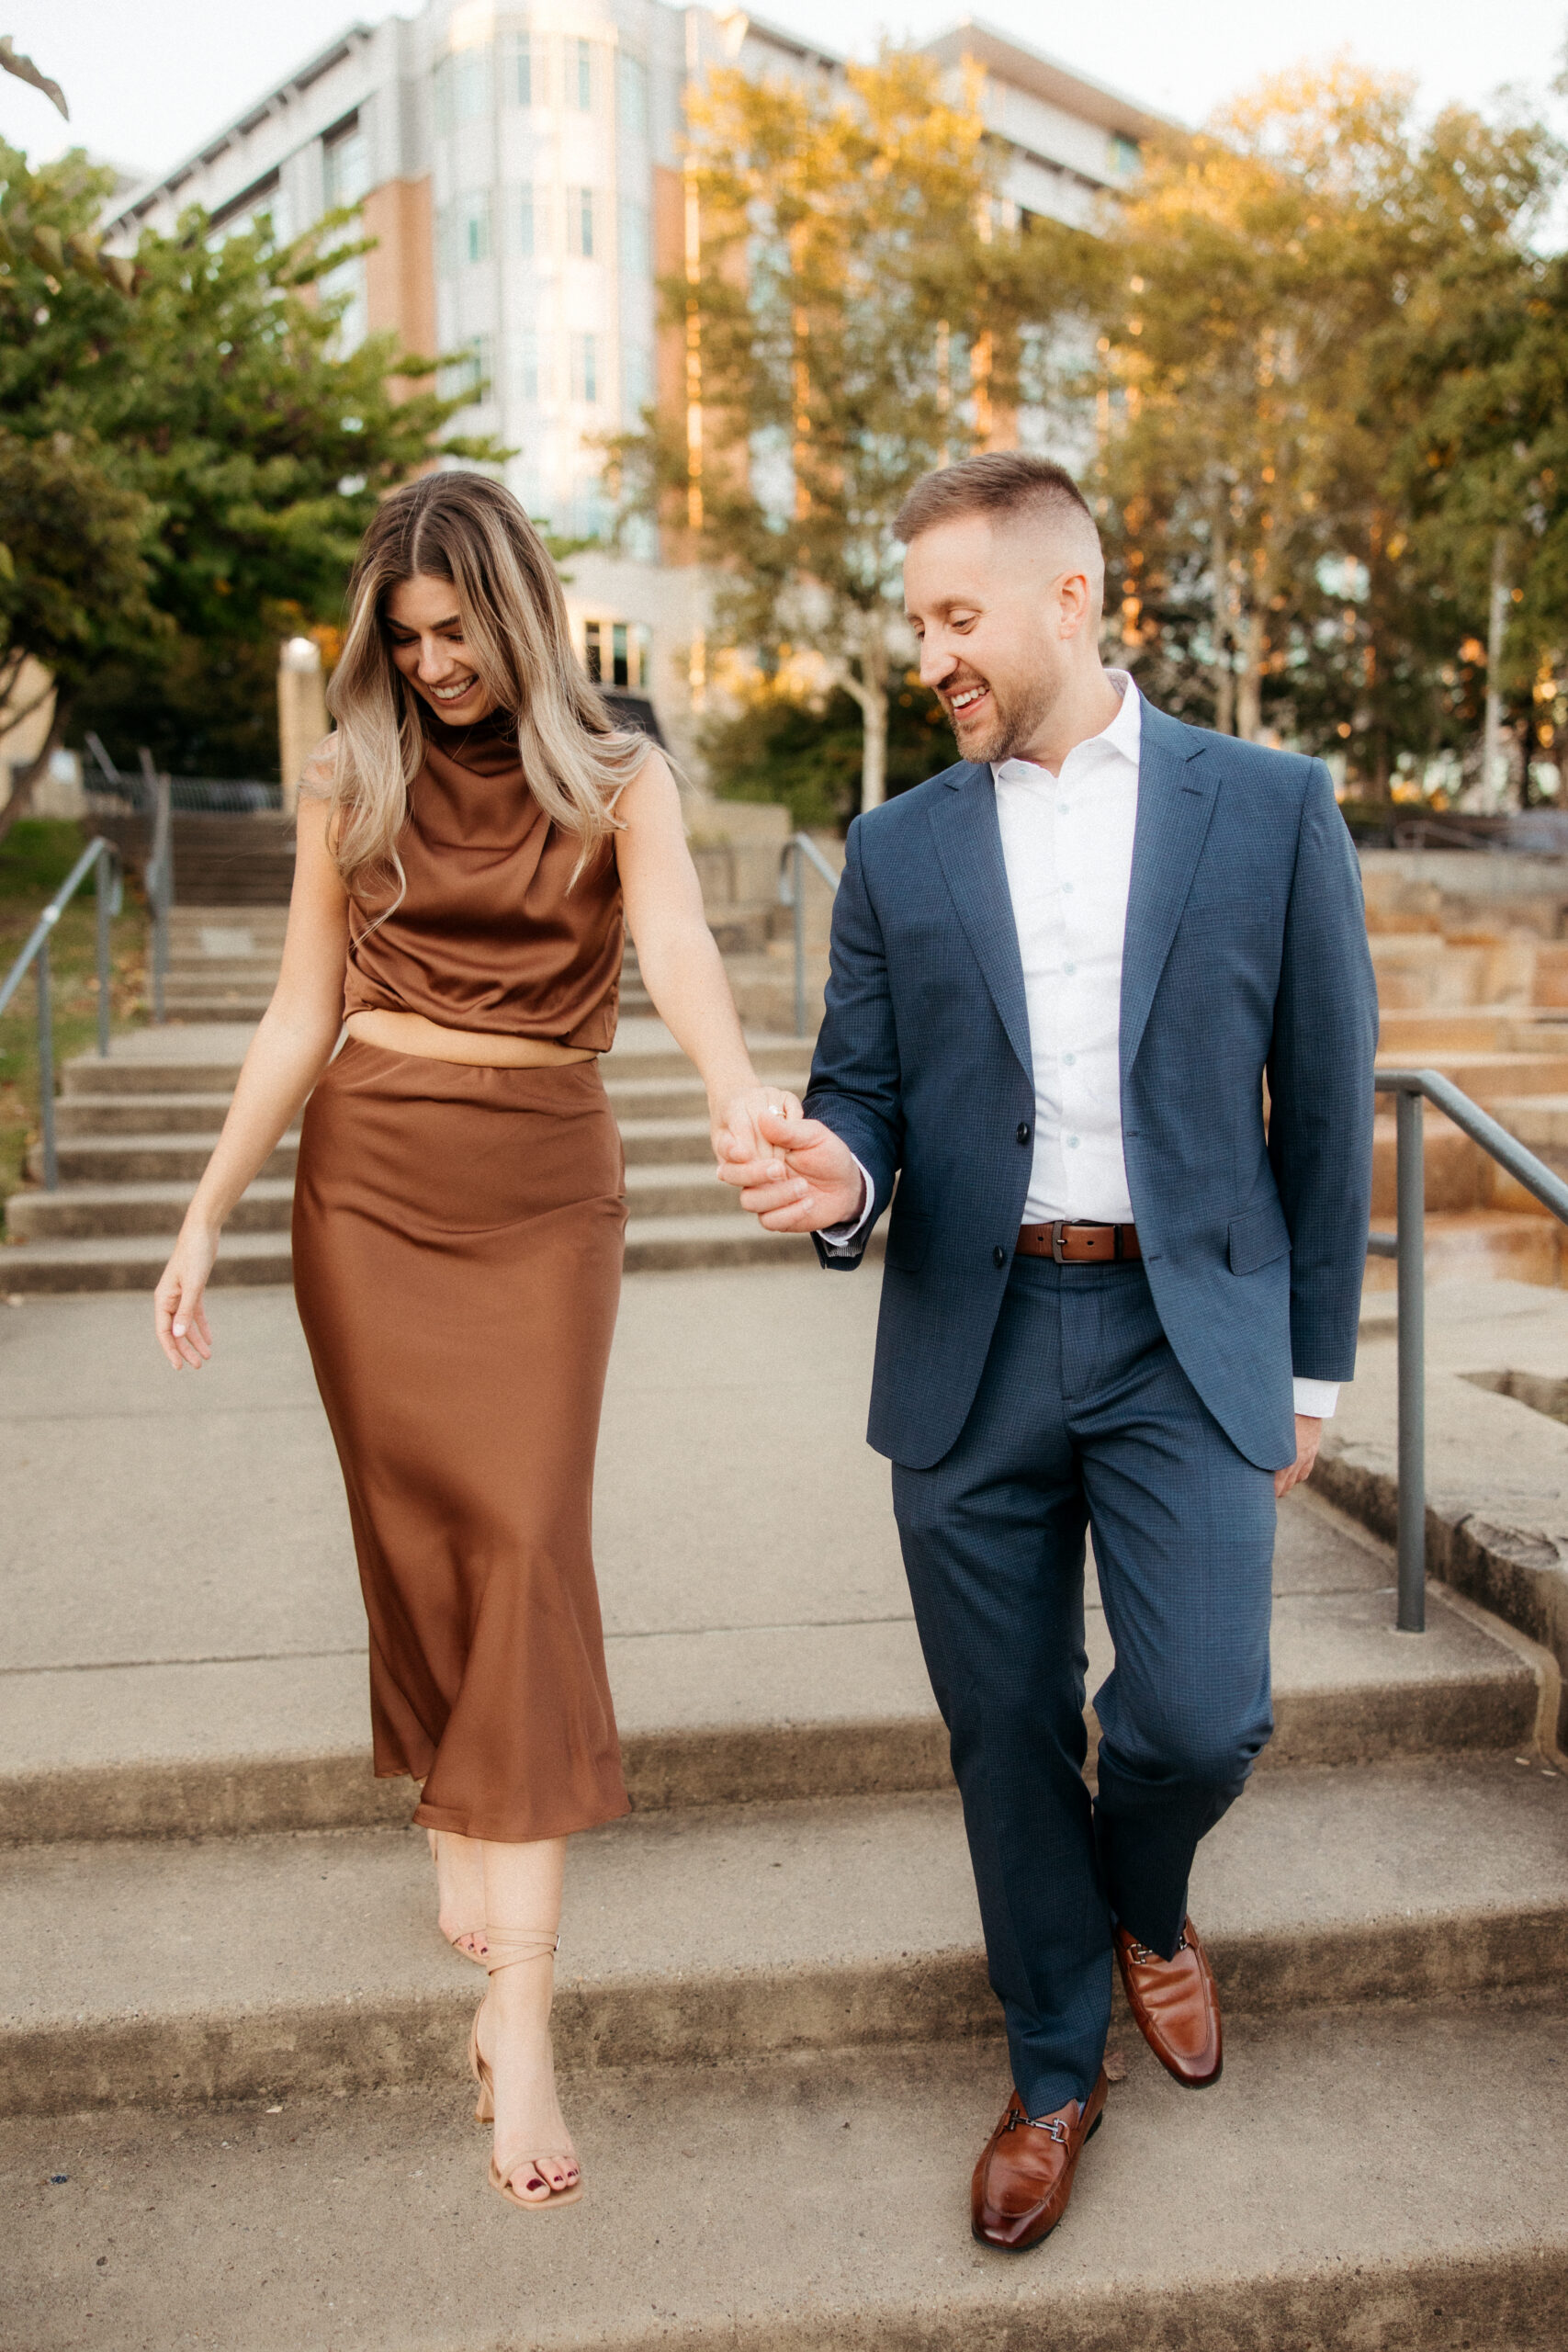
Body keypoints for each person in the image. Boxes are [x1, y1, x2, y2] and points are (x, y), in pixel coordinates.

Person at [719, 452, 1376, 2250]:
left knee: (1194, 1714)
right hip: (972, 1328)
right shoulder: (896, 845)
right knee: (1000, 1726)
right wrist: (832, 1169)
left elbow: (1320, 1110)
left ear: (1066, 600)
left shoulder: (1266, 806)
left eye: (955, 614)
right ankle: (1050, 2065)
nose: (931, 649)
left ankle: (1144, 1904)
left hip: (1189, 1333)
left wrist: (1309, 1370)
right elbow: (861, 1094)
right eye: (915, 618)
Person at [153, 472, 793, 2212]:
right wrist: (210, 1206)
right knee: (421, 1536)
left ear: (521, 615)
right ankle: (461, 1796)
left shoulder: (620, 777)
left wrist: (738, 1093)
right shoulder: (351, 777)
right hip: (366, 1190)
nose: (434, 665)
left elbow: (672, 946)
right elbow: (305, 1003)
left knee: (521, 1542)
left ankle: (523, 2018)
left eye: (460, 631)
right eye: (408, 637)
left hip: (542, 1194)